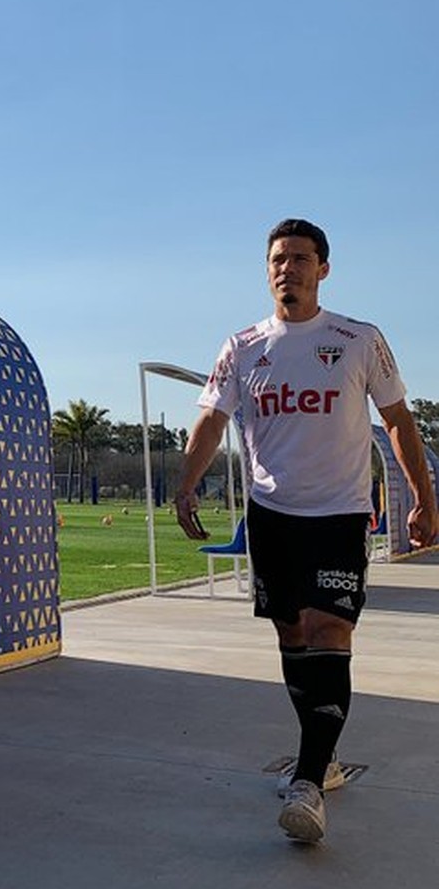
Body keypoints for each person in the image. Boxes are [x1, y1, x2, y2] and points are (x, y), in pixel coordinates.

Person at [175, 218, 438, 844]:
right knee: (294, 631)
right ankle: (322, 758)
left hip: (341, 513)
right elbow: (212, 422)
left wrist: (426, 499)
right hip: (272, 514)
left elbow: (399, 421)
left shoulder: (358, 339)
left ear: (323, 268)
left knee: (330, 628)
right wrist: (185, 484)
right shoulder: (242, 347)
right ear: (267, 270)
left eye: (299, 258)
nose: (286, 268)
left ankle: (310, 781)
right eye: (277, 259)